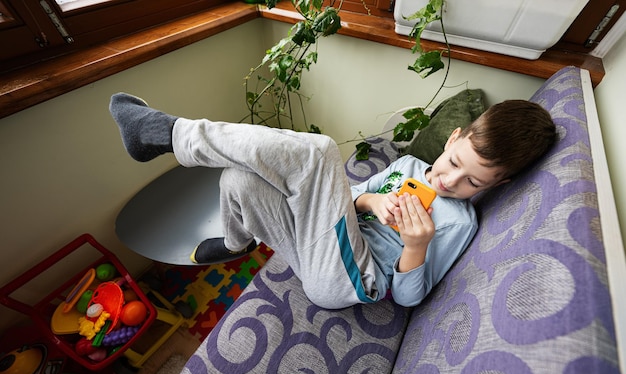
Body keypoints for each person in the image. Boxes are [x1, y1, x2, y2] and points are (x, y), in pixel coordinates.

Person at [109, 93, 556, 309]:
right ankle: (235, 242)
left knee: (321, 152)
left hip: (349, 280)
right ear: (453, 138)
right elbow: (354, 196)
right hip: (320, 246)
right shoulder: (407, 170)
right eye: (454, 161)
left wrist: (416, 248)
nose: (448, 180)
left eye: (471, 182)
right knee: (237, 182)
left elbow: (407, 299)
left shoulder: (458, 224)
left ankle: (167, 133)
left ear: (495, 186)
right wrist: (370, 204)